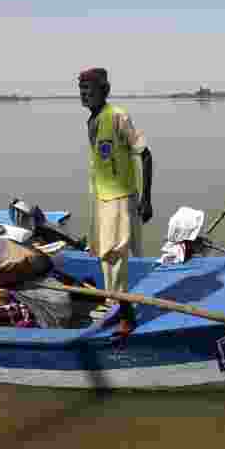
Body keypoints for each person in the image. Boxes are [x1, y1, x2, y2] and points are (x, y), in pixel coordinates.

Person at [79, 67, 154, 335]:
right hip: (101, 198)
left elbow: (145, 155)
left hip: (121, 198)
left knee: (117, 255)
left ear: (105, 91)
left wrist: (146, 199)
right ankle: (115, 305)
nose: (85, 94)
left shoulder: (118, 116)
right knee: (103, 255)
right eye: (82, 89)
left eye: (90, 89)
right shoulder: (92, 120)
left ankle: (128, 316)